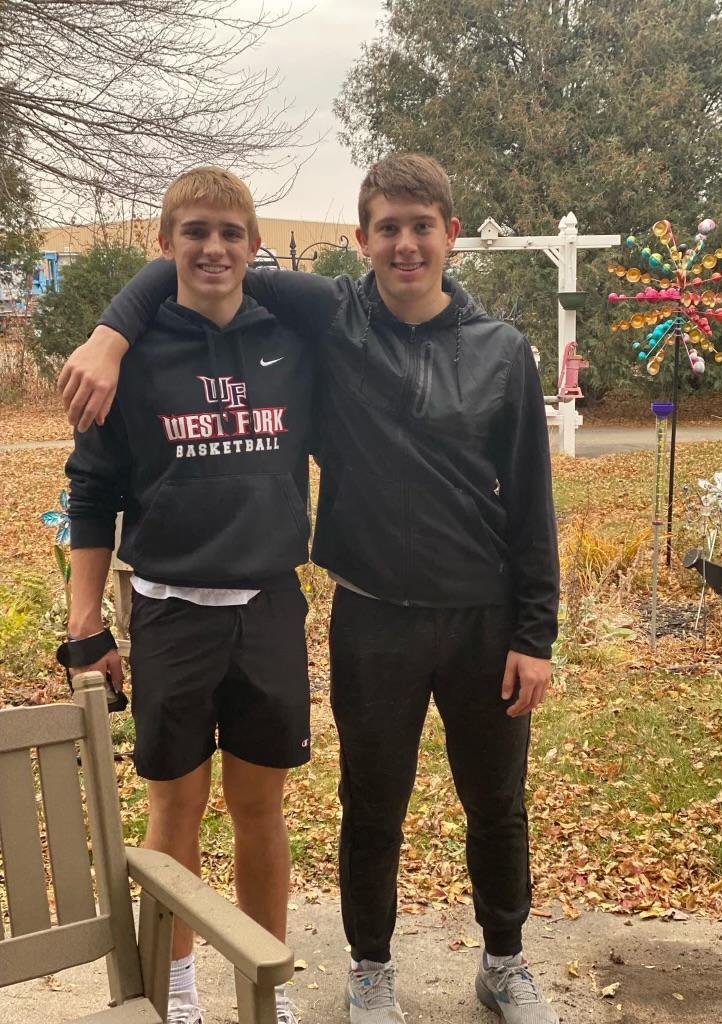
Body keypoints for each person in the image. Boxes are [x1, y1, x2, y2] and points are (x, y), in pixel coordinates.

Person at [60, 154, 561, 1024]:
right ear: (362, 240)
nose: (405, 245)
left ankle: (491, 962)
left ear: (451, 234)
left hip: (445, 615)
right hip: (341, 612)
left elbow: (531, 499)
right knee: (352, 805)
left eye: (422, 226)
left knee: (488, 804)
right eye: (388, 229)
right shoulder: (332, 318)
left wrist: (535, 632)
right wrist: (110, 333)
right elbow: (192, 260)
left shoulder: (477, 349)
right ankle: (326, 973)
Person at [62, 167, 312, 1024]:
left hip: (269, 607)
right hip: (169, 611)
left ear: (254, 246)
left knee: (260, 810)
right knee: (176, 809)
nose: (213, 248)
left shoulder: (292, 341)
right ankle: (176, 990)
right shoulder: (126, 357)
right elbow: (91, 495)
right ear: (163, 243)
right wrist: (87, 623)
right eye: (195, 231)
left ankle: (265, 989)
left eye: (231, 233)